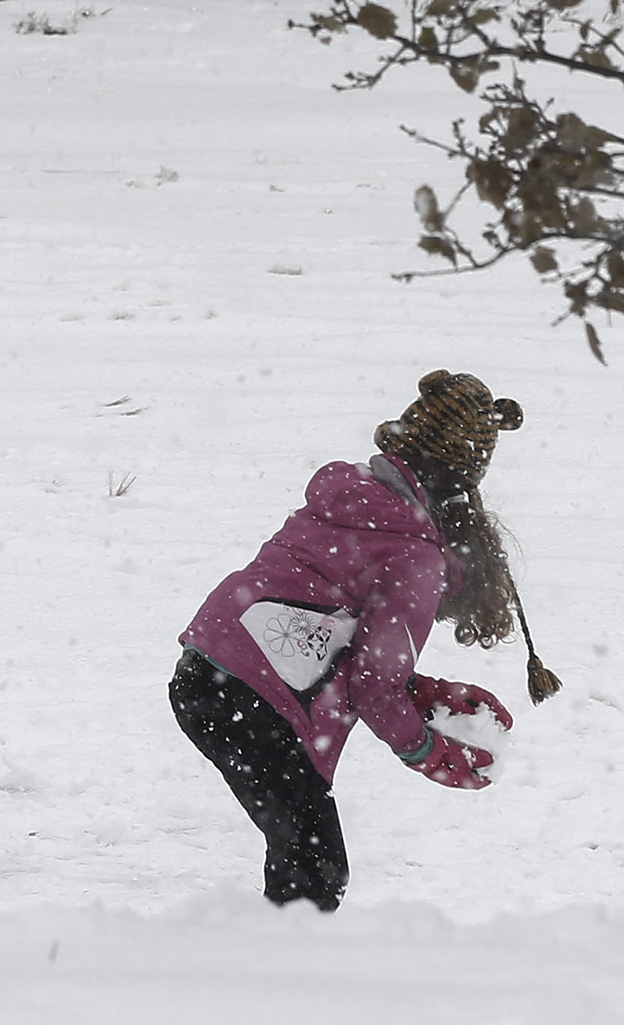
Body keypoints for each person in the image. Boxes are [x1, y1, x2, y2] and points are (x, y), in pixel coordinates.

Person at [172, 370, 558, 910]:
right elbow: (374, 683)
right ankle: (265, 979)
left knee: (303, 858)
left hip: (204, 674)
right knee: (315, 870)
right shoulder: (415, 553)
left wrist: (422, 694)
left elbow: (332, 632)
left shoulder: (354, 497)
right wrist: (425, 749)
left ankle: (267, 965)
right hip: (250, 700)